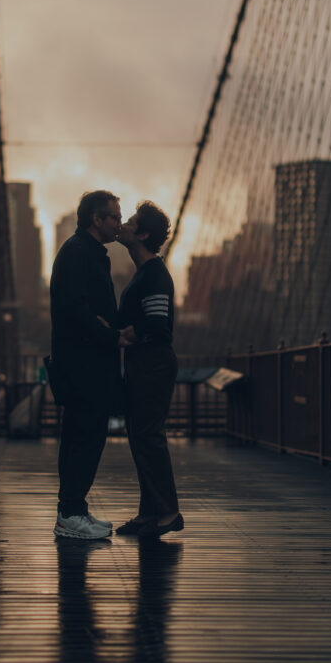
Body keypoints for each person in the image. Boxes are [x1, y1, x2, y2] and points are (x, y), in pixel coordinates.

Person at [50, 190, 132, 539]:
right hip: (85, 366)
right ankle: (70, 514)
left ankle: (75, 509)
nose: (119, 222)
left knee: (80, 437)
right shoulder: (80, 253)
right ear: (96, 220)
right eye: (113, 216)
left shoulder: (84, 251)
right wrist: (112, 336)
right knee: (85, 438)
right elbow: (77, 311)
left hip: (84, 363)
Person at [115, 202, 184, 538]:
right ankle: (149, 512)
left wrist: (129, 335)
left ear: (142, 234)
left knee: (149, 436)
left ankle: (169, 512)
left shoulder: (155, 274)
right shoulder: (144, 273)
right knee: (140, 436)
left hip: (153, 363)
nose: (123, 225)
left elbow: (157, 325)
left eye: (130, 221)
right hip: (144, 362)